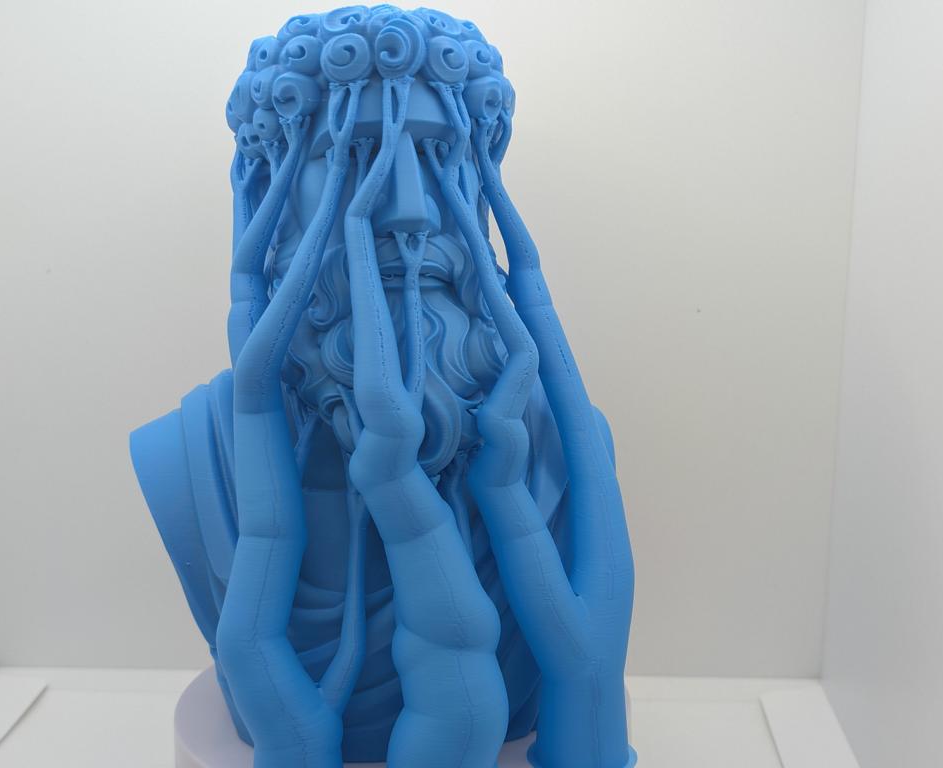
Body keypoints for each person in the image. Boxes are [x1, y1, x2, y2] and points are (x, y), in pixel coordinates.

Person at [131, 7, 637, 767]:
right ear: (276, 190)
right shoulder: (187, 452)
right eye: (354, 153)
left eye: (437, 156)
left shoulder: (564, 447)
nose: (408, 209)